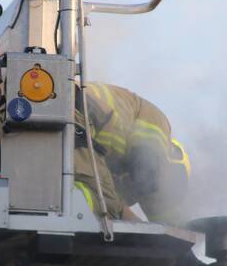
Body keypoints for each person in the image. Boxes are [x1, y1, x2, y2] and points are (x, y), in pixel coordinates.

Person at [75, 82, 190, 225]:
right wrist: (140, 229)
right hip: (78, 111)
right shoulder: (159, 125)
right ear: (173, 159)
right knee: (104, 205)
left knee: (100, 198)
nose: (166, 188)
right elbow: (147, 173)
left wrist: (181, 239)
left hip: (77, 118)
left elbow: (161, 215)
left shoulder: (119, 167)